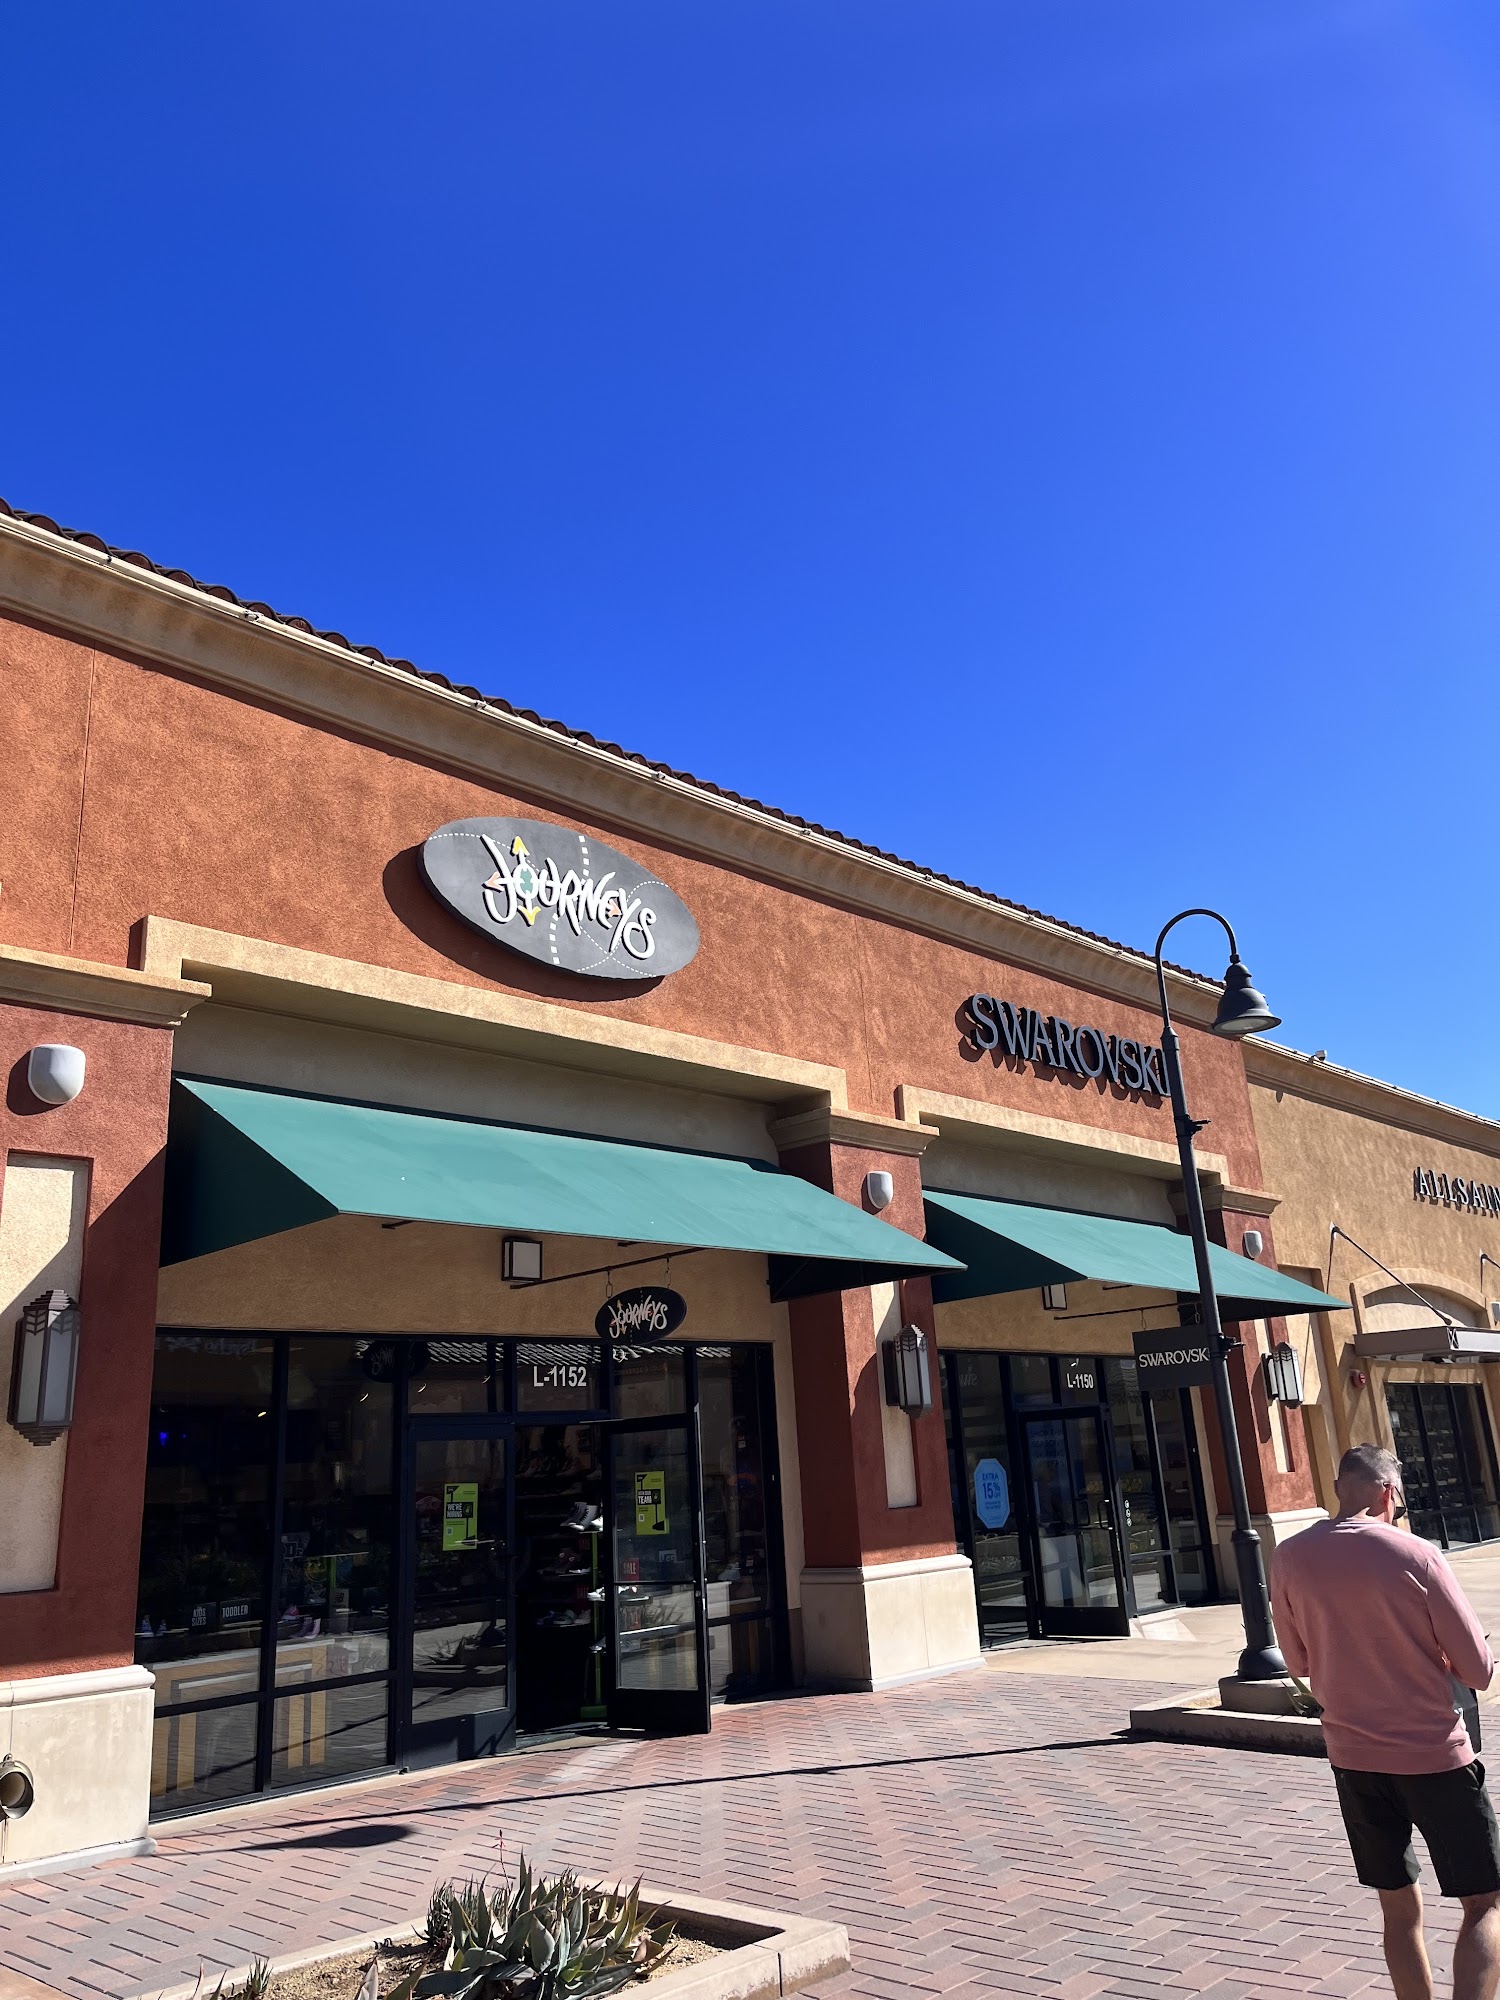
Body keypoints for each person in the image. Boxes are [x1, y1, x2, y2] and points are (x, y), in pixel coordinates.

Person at [1272, 1443, 1500, 2000]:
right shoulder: (1416, 1554)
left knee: (1398, 1909)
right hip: (1434, 1754)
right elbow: (1477, 1670)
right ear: (1388, 1493)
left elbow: (1297, 1662)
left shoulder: (1289, 1557)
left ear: (1338, 1489)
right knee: (1484, 1902)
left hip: (1354, 1759)